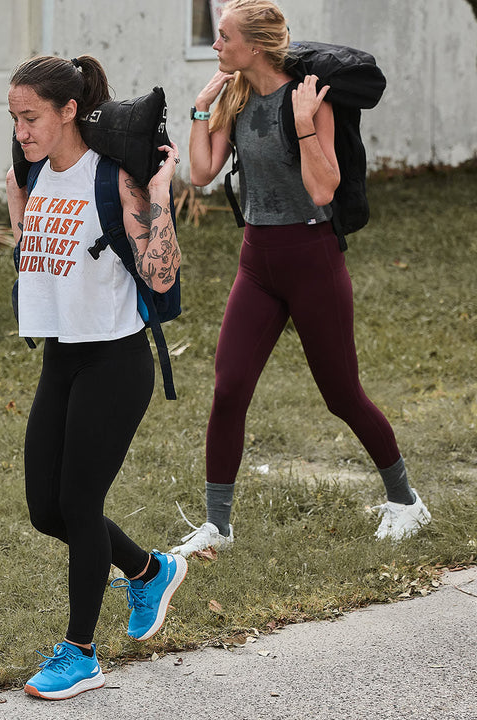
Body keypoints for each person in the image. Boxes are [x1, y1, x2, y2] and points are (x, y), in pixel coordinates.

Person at [170, 0, 431, 557]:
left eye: (223, 37)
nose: (216, 47)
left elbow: (322, 189)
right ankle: (219, 526)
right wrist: (199, 111)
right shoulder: (236, 95)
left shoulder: (308, 96)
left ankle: (407, 501)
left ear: (255, 46)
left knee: (342, 394)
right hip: (257, 262)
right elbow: (200, 172)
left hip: (312, 258)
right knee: (228, 387)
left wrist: (307, 124)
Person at [5, 54, 187, 701]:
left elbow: (162, 277)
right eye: (15, 119)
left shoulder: (112, 178)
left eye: (31, 118)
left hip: (116, 360)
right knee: (45, 509)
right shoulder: (30, 172)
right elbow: (38, 259)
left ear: (68, 111)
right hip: (63, 357)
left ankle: (80, 652)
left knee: (79, 504)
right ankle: (148, 569)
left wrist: (159, 198)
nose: (22, 131)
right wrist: (17, 210)